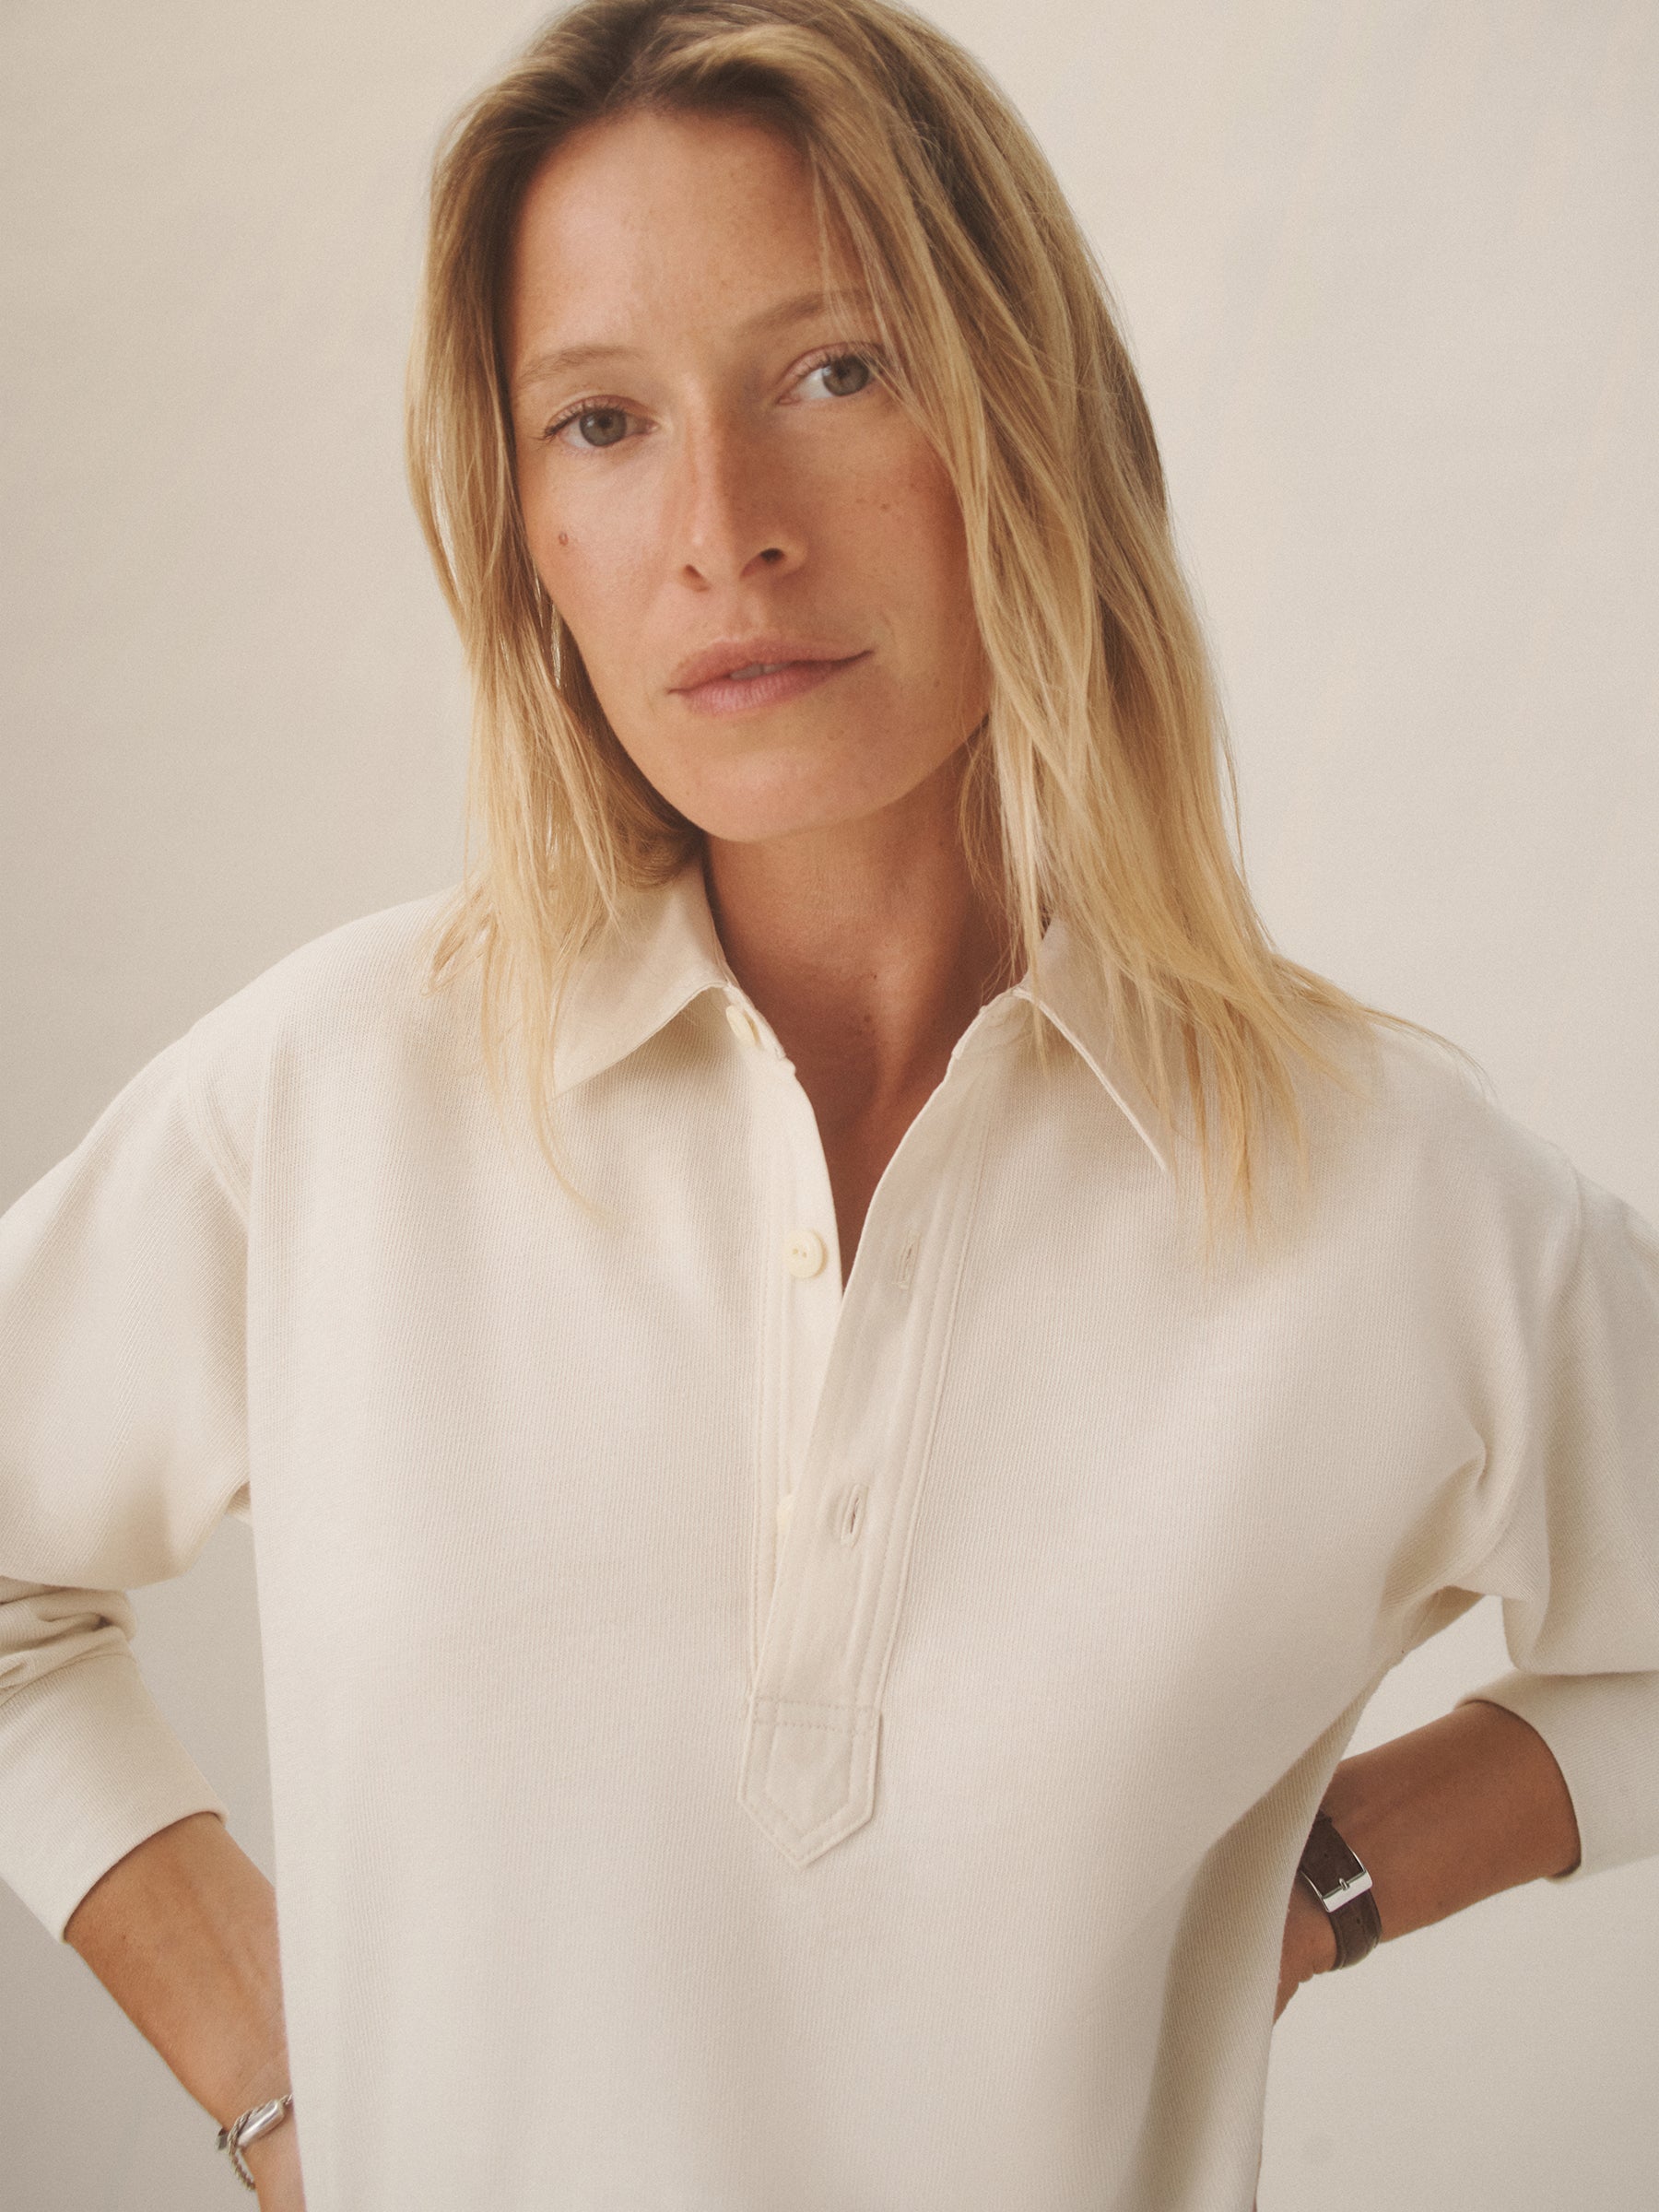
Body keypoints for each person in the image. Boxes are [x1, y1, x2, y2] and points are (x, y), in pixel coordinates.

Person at [1, 0, 1654, 2206]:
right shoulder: (327, 1101)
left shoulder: (1392, 1201)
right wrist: (268, 2064)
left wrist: (1346, 1875)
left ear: (1026, 415)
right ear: (526, 526)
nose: (723, 532)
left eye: (836, 372)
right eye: (602, 421)